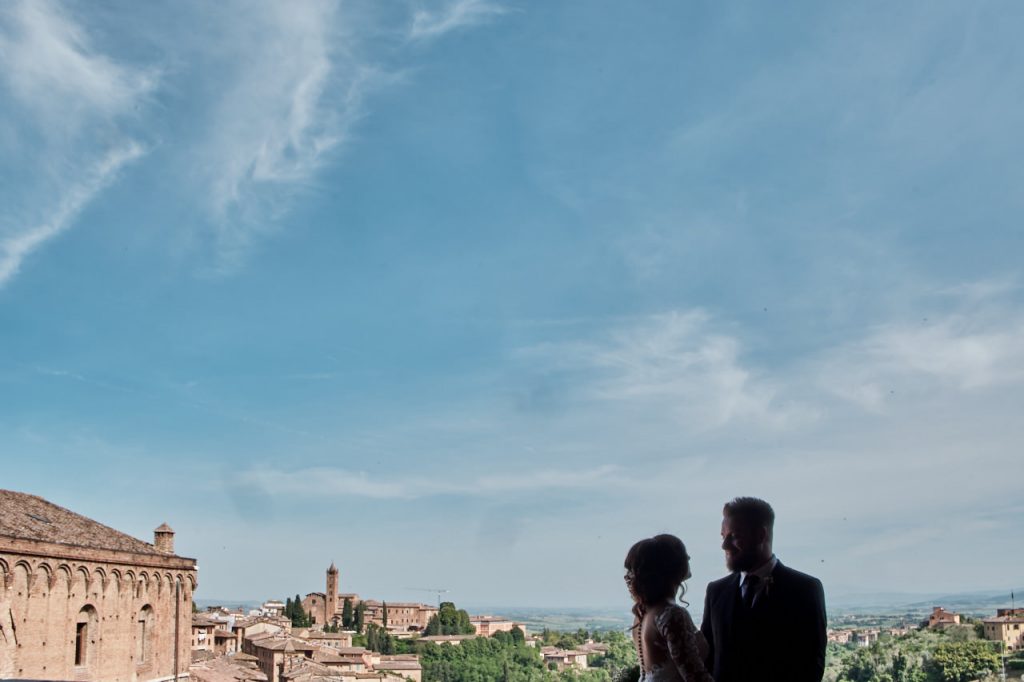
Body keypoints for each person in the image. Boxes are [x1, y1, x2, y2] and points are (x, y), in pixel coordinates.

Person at [700, 497, 827, 682]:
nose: (724, 545)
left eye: (734, 536)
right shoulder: (716, 591)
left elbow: (811, 665)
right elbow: (707, 657)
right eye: (723, 536)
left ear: (760, 535)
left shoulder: (805, 589)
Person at [625, 534, 714, 682]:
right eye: (684, 555)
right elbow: (695, 677)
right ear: (672, 565)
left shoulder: (642, 613)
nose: (689, 558)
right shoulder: (672, 613)